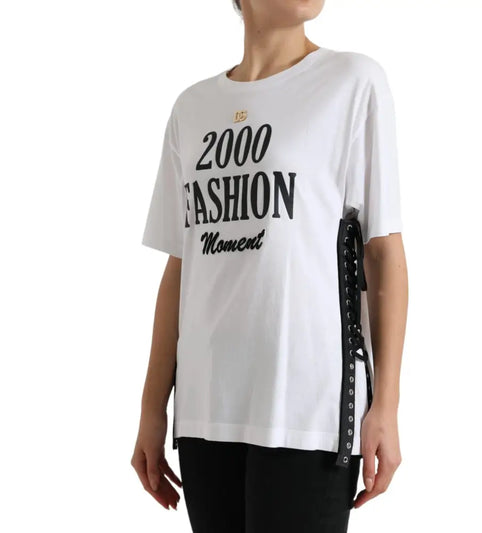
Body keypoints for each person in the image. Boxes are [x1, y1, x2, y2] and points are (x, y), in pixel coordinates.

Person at [130, 0, 408, 531]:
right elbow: (181, 269)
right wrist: (151, 408)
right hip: (206, 411)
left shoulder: (352, 81)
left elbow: (383, 253)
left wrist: (386, 406)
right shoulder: (193, 107)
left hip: (308, 412)